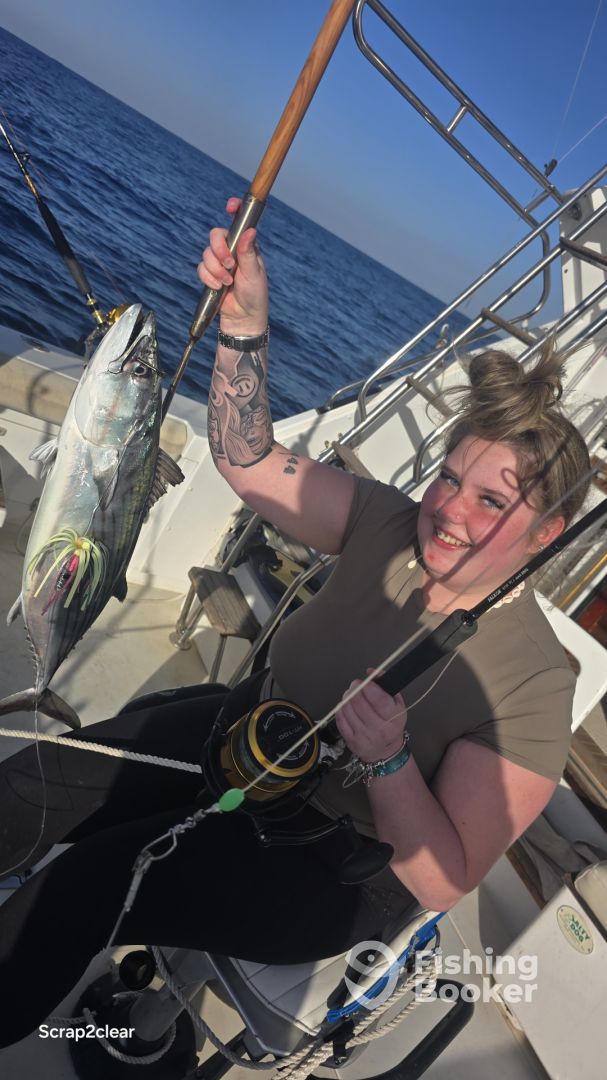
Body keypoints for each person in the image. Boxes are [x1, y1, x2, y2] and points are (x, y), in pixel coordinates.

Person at [0, 200, 591, 1048]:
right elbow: (245, 459)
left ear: (548, 533)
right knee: (35, 781)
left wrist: (388, 760)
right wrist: (244, 324)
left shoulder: (533, 683)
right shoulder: (387, 519)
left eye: (492, 501)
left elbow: (441, 880)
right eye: (449, 478)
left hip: (329, 864)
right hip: (244, 737)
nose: (450, 512)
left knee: (88, 884)